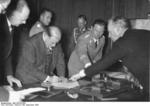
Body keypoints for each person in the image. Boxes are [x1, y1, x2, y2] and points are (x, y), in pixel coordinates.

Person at [70, 16, 149, 100]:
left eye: (110, 32)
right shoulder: (142, 33)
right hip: (77, 66)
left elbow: (104, 61)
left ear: (118, 29)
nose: (109, 36)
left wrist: (83, 73)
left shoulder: (123, 42)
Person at [0, 0, 33, 102]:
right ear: (12, 14)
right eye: (23, 19)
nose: (24, 22)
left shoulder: (10, 25)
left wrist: (9, 74)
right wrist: (6, 96)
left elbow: (6, 52)